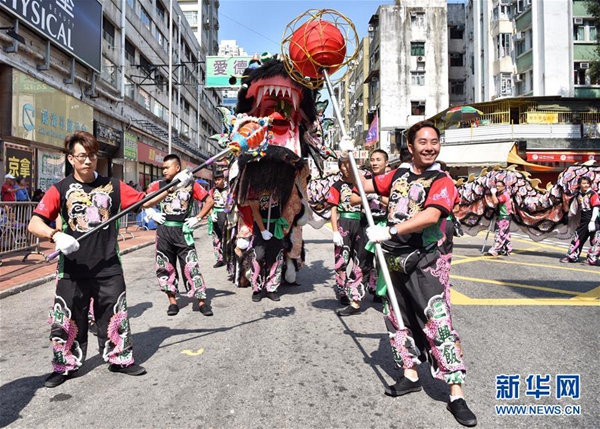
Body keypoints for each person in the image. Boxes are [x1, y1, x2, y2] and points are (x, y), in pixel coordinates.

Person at [28, 131, 189, 388]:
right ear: (71, 158)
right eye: (81, 156)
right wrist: (55, 235)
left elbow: (145, 201)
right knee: (67, 318)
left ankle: (120, 358)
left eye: (92, 155)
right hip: (72, 268)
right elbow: (34, 222)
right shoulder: (60, 188)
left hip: (108, 265)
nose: (87, 161)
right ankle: (64, 364)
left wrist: (174, 185)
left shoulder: (113, 186)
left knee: (115, 314)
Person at [350, 121, 477, 427]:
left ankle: (456, 393)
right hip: (391, 260)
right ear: (410, 146)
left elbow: (431, 215)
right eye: (423, 142)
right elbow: (361, 186)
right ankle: (410, 374)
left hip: (424, 263)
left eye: (434, 141)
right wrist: (346, 160)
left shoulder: (443, 180)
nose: (429, 147)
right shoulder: (399, 174)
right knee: (397, 320)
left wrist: (390, 229)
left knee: (438, 322)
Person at [145, 154, 215, 317]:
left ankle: (202, 302)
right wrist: (151, 213)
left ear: (177, 168)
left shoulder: (191, 185)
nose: (163, 171)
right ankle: (172, 302)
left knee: (191, 266)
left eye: (166, 167)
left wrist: (197, 218)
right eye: (162, 168)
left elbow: (209, 201)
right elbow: (144, 201)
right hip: (164, 232)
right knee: (165, 267)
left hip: (183, 232)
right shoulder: (158, 185)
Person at [328, 159, 372, 316]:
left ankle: (356, 291)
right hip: (344, 223)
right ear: (339, 167)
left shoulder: (362, 183)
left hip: (361, 222)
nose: (346, 168)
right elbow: (333, 209)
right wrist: (335, 231)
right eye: (344, 165)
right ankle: (342, 291)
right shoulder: (336, 186)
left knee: (361, 259)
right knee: (342, 259)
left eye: (349, 165)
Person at [561, 176, 600, 265]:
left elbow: (596, 207)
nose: (586, 185)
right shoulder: (579, 195)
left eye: (587, 183)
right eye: (583, 183)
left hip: (594, 220)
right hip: (583, 220)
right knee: (577, 238)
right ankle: (572, 256)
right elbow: (575, 208)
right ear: (579, 184)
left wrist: (593, 221)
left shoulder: (593, 194)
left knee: (596, 240)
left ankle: (592, 259)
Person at [206, 169, 229, 268]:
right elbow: (208, 204)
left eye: (219, 179)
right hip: (216, 215)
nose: (216, 182)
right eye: (215, 180)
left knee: (228, 238)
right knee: (216, 239)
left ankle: (229, 258)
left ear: (223, 179)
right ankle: (220, 259)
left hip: (227, 215)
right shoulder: (212, 191)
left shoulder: (229, 189)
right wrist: (211, 213)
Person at [488, 180, 513, 257]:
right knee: (505, 234)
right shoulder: (501, 194)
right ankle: (506, 248)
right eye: (496, 186)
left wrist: (493, 193)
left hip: (504, 217)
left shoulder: (504, 195)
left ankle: (495, 249)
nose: (497, 188)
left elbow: (495, 202)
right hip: (502, 216)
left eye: (499, 186)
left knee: (500, 233)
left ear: (503, 187)